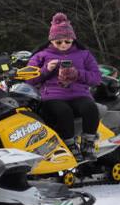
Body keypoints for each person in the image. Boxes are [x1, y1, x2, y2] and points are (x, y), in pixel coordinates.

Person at [27, 13, 102, 160]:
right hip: (52, 96)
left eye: (67, 42)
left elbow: (96, 78)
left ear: (73, 39)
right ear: (51, 41)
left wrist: (77, 74)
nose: (63, 45)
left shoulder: (84, 54)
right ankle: (70, 144)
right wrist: (46, 70)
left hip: (79, 94)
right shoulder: (41, 55)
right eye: (59, 42)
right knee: (63, 111)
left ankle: (88, 143)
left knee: (91, 107)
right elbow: (29, 80)